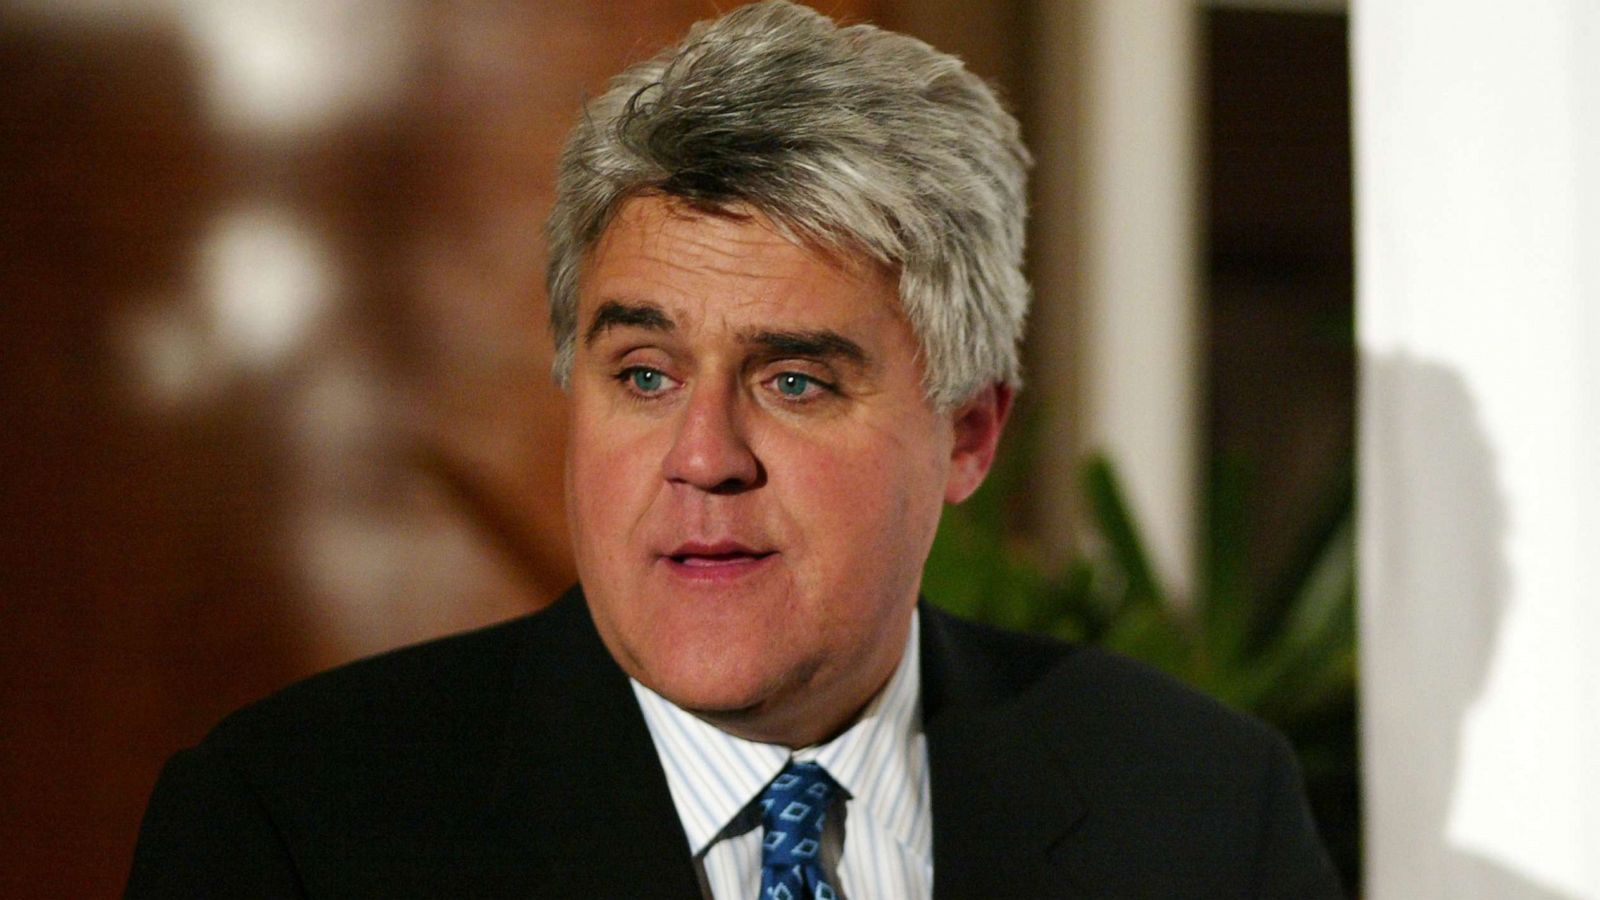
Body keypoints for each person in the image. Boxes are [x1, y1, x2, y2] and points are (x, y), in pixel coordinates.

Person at [127, 2, 1340, 897]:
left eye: (795, 380)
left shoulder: (1196, 811)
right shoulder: (295, 827)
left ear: (968, 433)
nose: (703, 456)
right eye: (644, 376)